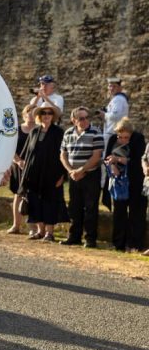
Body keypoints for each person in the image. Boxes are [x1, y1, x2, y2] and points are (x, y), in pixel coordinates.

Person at [17, 103, 67, 242]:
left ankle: (49, 233)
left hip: (52, 174)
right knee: (35, 202)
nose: (46, 115)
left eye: (49, 113)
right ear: (39, 116)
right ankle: (40, 231)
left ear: (53, 116)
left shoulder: (58, 133)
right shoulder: (34, 132)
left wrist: (62, 175)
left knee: (50, 202)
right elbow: (27, 154)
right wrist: (25, 175)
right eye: (43, 113)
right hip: (33, 175)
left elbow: (63, 155)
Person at [59, 106, 104, 247]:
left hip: (90, 176)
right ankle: (74, 237)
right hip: (74, 176)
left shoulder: (96, 132)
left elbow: (97, 156)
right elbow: (63, 155)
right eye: (81, 118)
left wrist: (81, 170)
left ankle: (90, 239)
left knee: (91, 208)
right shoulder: (68, 133)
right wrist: (71, 171)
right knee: (74, 207)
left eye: (87, 117)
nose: (85, 121)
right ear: (74, 120)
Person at [104, 118, 146, 252]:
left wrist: (120, 159)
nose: (122, 140)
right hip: (118, 182)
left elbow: (139, 160)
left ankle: (135, 244)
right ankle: (118, 243)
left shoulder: (138, 139)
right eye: (120, 137)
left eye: (126, 137)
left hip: (135, 181)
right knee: (119, 212)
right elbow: (106, 158)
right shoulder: (112, 140)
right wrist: (112, 166)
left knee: (136, 213)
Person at [7, 103, 37, 234]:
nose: (30, 115)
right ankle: (16, 226)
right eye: (28, 112)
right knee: (18, 195)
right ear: (24, 115)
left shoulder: (39, 130)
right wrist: (18, 161)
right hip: (18, 166)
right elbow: (10, 148)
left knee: (33, 196)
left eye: (33, 112)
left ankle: (33, 228)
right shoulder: (16, 130)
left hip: (34, 167)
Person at [95, 77, 129, 145]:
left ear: (120, 88)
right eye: (110, 86)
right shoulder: (117, 99)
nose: (112, 88)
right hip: (113, 132)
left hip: (112, 133)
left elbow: (115, 116)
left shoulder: (118, 99)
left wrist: (104, 114)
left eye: (114, 86)